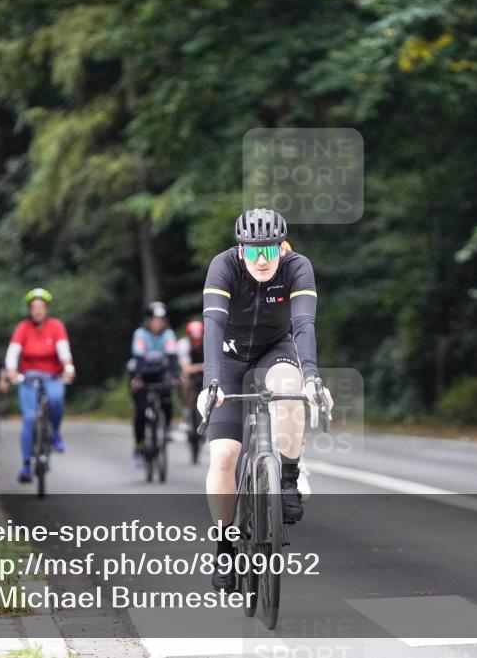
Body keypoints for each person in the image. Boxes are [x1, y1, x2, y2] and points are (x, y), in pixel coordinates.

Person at [196, 208, 332, 592]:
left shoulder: (297, 267)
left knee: (291, 388)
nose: (261, 259)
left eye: (269, 250)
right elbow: (213, 326)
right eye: (252, 251)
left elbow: (304, 325)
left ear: (281, 247)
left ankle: (287, 480)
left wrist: (313, 378)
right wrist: (210, 383)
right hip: (229, 357)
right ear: (240, 250)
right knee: (224, 455)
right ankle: (224, 546)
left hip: (275, 349)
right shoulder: (223, 266)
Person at [5, 288, 76, 483]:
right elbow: (13, 352)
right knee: (29, 419)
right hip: (29, 378)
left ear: (47, 309)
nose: (37, 311)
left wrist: (68, 368)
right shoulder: (23, 327)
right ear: (29, 309)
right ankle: (26, 465)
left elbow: (64, 351)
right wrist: (12, 370)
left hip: (52, 376)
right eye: (34, 307)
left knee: (56, 399)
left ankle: (55, 433)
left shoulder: (56, 326)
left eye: (41, 307)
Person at [129, 301, 178, 464]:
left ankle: (167, 428)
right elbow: (139, 357)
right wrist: (137, 378)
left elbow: (172, 356)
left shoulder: (168, 334)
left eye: (161, 320)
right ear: (148, 320)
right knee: (140, 411)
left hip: (159, 373)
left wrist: (174, 376)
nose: (158, 323)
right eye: (155, 320)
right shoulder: (140, 334)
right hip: (141, 372)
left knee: (167, 398)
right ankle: (139, 446)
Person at [176, 319, 205, 461]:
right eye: (194, 339)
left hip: (205, 374)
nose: (197, 342)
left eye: (199, 338)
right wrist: (201, 367)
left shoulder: (208, 342)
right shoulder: (183, 345)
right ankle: (186, 412)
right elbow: (186, 368)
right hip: (191, 376)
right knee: (184, 383)